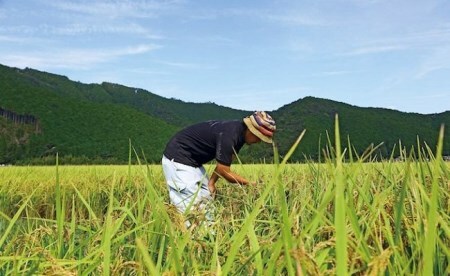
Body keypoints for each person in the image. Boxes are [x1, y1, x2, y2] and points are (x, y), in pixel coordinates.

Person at [161, 111, 276, 227]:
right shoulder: (229, 135)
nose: (259, 141)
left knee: (206, 200)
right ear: (251, 130)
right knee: (190, 208)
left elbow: (223, 163)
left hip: (194, 162)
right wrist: (250, 183)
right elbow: (224, 172)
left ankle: (208, 236)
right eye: (259, 137)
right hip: (178, 159)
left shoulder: (239, 135)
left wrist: (211, 183)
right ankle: (188, 238)